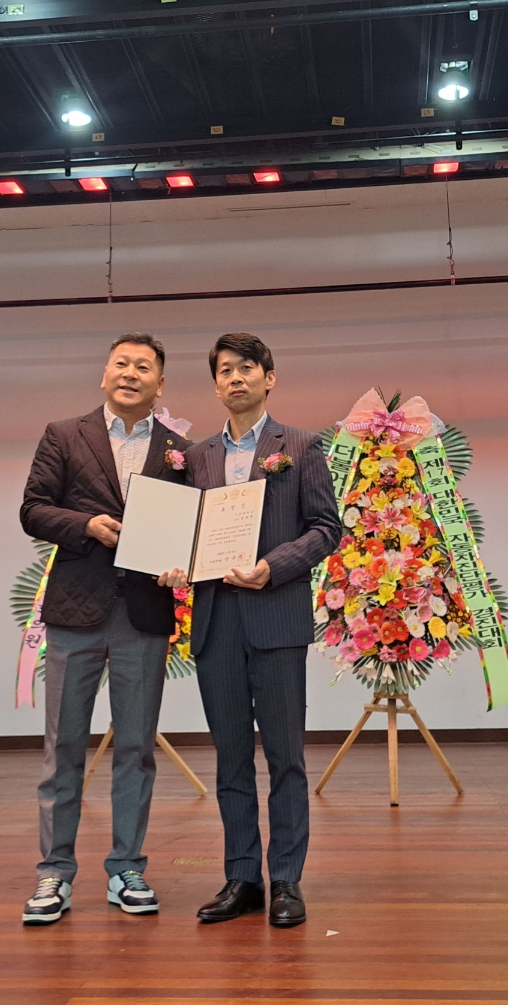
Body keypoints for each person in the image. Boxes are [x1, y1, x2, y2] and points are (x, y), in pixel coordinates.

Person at [160, 333, 341, 928]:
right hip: (216, 621)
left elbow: (325, 528)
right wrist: (172, 562)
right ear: (215, 385)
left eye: (246, 368)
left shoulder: (301, 446)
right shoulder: (196, 456)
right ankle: (242, 877)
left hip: (277, 616)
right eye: (225, 371)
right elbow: (182, 532)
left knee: (286, 756)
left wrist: (273, 566)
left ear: (269, 377)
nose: (235, 378)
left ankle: (286, 877)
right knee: (231, 757)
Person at [19, 332, 189, 925]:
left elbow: (188, 527)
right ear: (104, 374)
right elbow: (33, 509)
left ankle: (127, 868)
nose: (131, 373)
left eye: (144, 366)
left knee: (136, 749)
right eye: (121, 363)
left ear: (160, 384)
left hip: (144, 615)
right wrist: (86, 525)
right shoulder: (64, 434)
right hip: (75, 613)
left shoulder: (180, 450)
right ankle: (54, 874)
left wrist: (182, 563)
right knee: (64, 747)